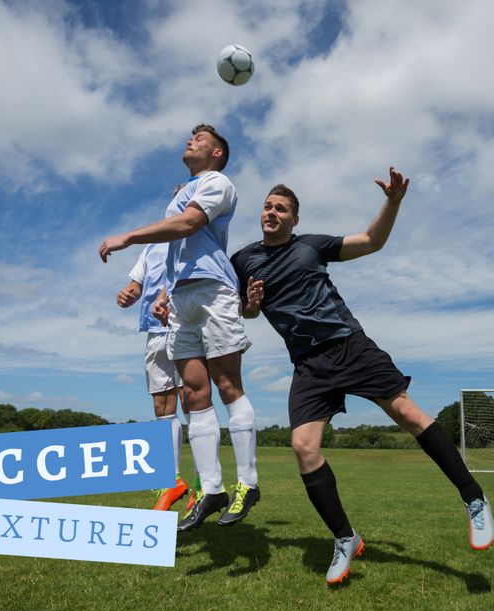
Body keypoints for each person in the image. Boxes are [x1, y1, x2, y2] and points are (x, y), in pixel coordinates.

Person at [231, 167, 493, 584]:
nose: (271, 212)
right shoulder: (244, 260)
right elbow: (245, 312)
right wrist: (251, 302)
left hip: (349, 346)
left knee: (407, 414)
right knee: (302, 446)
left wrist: (392, 202)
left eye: (281, 208)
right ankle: (345, 537)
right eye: (267, 206)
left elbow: (372, 241)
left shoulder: (311, 247)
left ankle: (474, 499)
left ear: (294, 219)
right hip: (308, 365)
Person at [100, 124, 260, 531]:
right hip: (183, 298)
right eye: (191, 137)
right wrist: (165, 293)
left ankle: (248, 483)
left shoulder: (217, 182)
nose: (191, 141)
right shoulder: (182, 193)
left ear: (217, 153)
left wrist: (129, 236)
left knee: (226, 385)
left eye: (200, 139)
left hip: (213, 290)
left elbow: (190, 226)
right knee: (192, 394)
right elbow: (176, 251)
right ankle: (212, 490)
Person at [116, 241, 195, 510]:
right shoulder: (150, 248)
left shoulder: (195, 237)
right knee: (162, 409)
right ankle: (171, 482)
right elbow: (135, 286)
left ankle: (202, 483)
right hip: (154, 332)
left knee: (192, 403)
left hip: (186, 325)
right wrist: (127, 294)